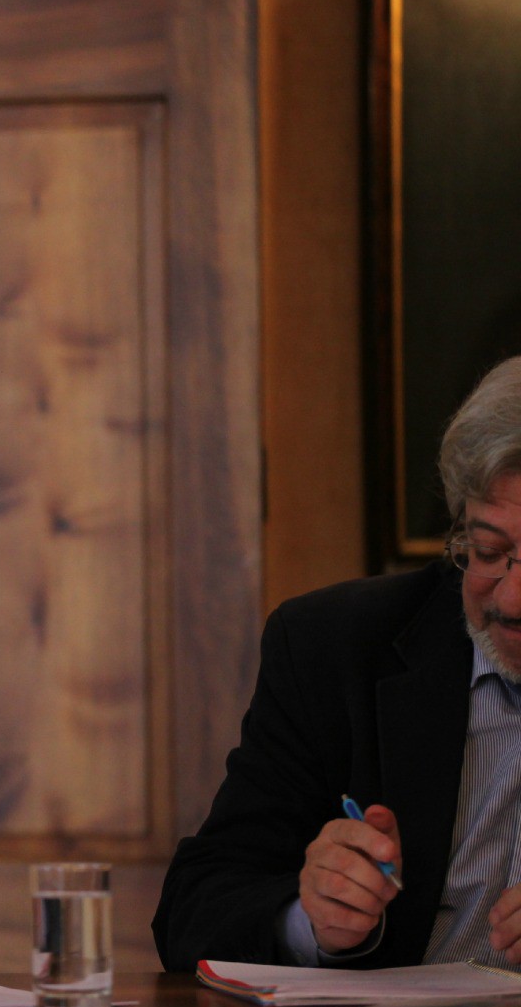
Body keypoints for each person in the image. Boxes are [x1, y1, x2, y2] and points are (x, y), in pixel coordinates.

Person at [156, 355, 521, 971]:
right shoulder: (337, 647)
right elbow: (195, 907)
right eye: (488, 551)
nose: (510, 598)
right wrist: (313, 919)